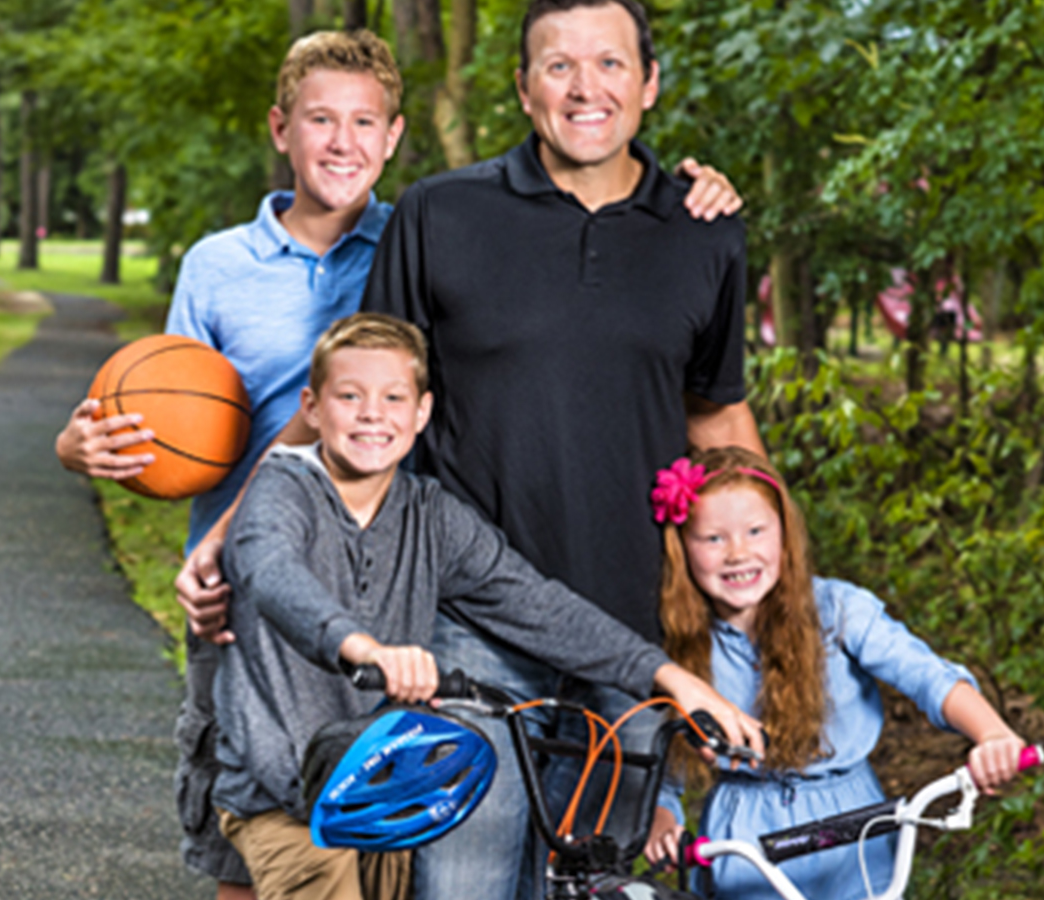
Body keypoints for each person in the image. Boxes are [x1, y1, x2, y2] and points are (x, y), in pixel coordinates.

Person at [55, 26, 742, 899]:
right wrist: (109, 467)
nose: (342, 142)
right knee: (258, 831)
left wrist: (692, 191)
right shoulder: (239, 263)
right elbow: (167, 410)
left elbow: (676, 377)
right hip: (261, 586)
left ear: (395, 136)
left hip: (400, 589)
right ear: (280, 128)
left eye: (363, 123)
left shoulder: (424, 231)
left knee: (384, 859)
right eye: (319, 121)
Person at [353, 2, 766, 897]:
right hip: (470, 625)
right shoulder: (438, 214)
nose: (587, 89)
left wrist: (780, 588)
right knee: (462, 886)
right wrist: (255, 526)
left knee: (596, 888)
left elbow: (719, 419)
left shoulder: (706, 229)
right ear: (522, 87)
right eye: (559, 66)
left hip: (636, 634)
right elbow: (363, 413)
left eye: (611, 65)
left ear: (649, 85)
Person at [212, 313, 763, 900]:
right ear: (313, 408)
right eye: (350, 396)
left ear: (421, 413)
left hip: (385, 788)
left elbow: (536, 604)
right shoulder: (281, 489)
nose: (373, 413)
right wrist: (362, 647)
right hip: (290, 794)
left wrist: (669, 676)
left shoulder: (432, 515)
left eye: (393, 397)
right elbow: (272, 573)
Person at [642, 446, 1028, 900]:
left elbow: (926, 675)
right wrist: (663, 817)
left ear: (785, 536)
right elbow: (662, 756)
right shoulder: (678, 646)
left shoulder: (839, 609)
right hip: (743, 836)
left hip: (854, 826)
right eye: (713, 539)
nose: (738, 552)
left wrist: (992, 732)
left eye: (755, 531)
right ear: (682, 548)